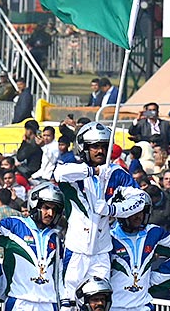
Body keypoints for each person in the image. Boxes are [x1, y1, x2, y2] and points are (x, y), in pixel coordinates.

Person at [54, 121, 141, 297]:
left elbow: (140, 199)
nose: (100, 151)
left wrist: (113, 209)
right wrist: (94, 172)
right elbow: (59, 174)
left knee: (99, 299)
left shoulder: (117, 173)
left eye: (104, 146)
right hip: (75, 249)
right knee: (68, 301)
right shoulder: (73, 169)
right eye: (95, 147)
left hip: (102, 250)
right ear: (84, 147)